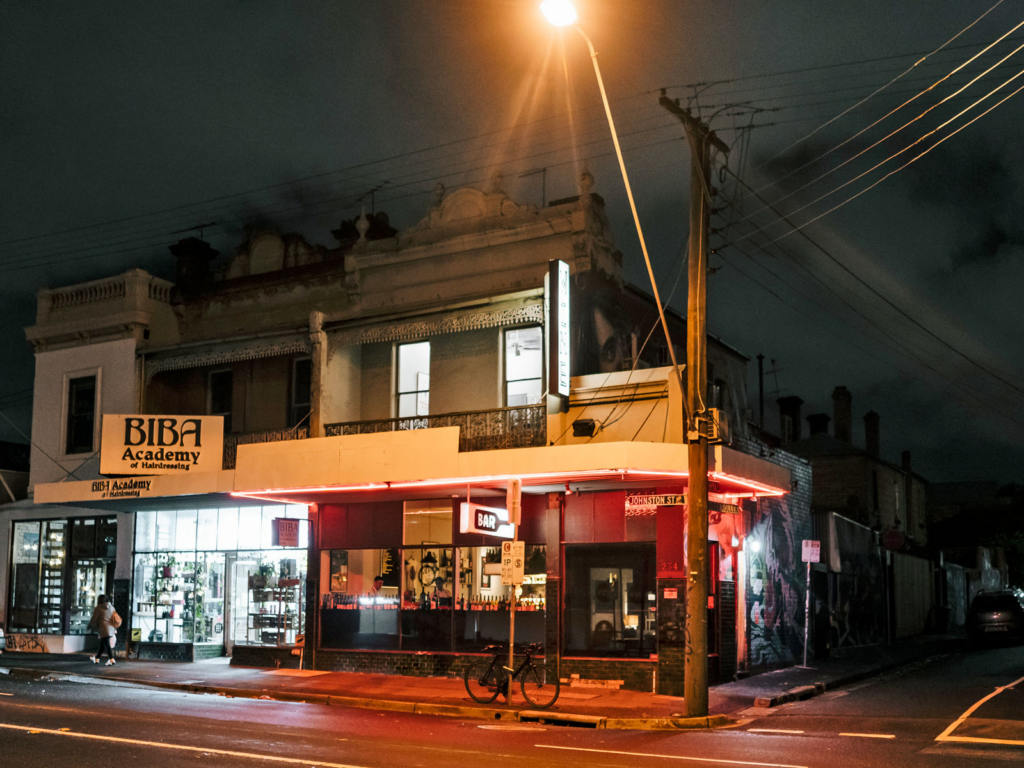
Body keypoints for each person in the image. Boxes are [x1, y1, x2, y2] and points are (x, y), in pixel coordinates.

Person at [87, 594, 118, 666]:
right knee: (103, 644)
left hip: (103, 628)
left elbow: (94, 618)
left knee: (106, 644)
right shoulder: (112, 607)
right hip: (111, 627)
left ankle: (111, 659)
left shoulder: (98, 608)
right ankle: (97, 658)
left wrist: (90, 626)